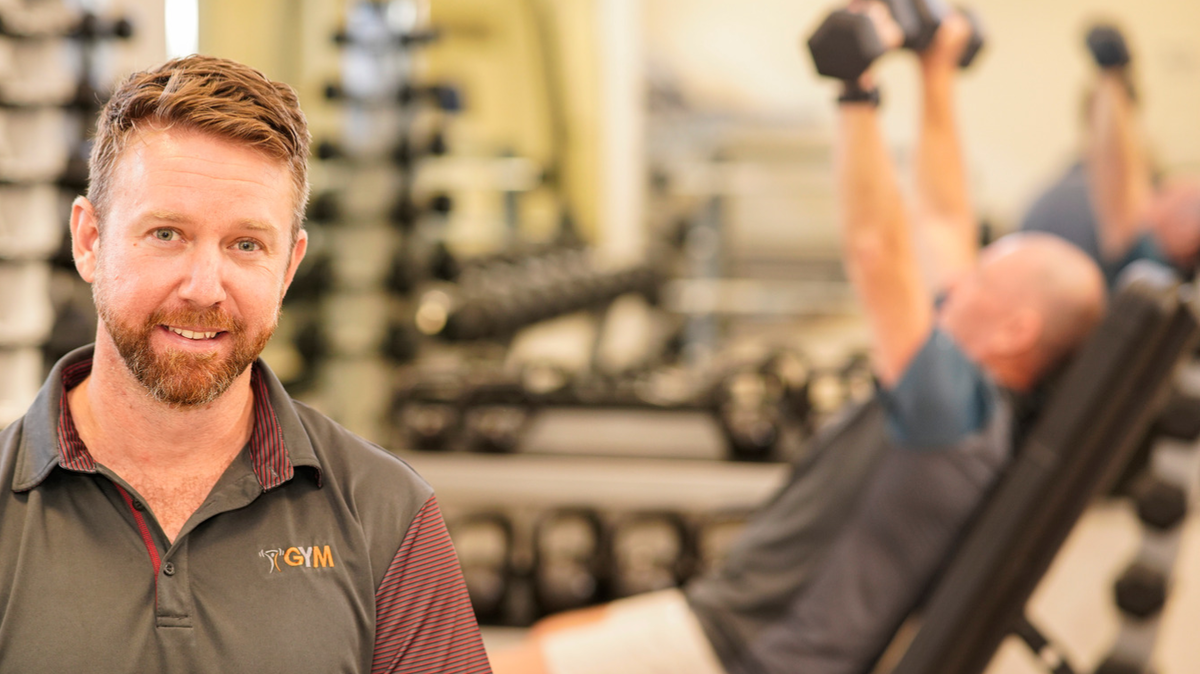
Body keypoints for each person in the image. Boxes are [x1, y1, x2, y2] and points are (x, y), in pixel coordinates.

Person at [490, 6, 1106, 674]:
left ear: (1016, 330)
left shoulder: (950, 409)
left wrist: (856, 91)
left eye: (983, 278)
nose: (959, 280)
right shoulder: (973, 411)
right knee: (548, 637)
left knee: (499, 666)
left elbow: (877, 252)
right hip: (726, 622)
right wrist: (936, 77)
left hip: (750, 656)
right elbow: (943, 216)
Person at [0, 56, 491, 673]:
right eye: (167, 234)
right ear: (89, 240)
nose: (205, 288)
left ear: (288, 267)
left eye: (246, 245)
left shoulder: (386, 516)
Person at [1021, 24, 1200, 285]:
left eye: (1166, 197)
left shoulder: (1153, 269)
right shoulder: (1060, 195)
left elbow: (1121, 192)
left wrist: (1112, 75)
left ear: (1187, 232)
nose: (1154, 199)